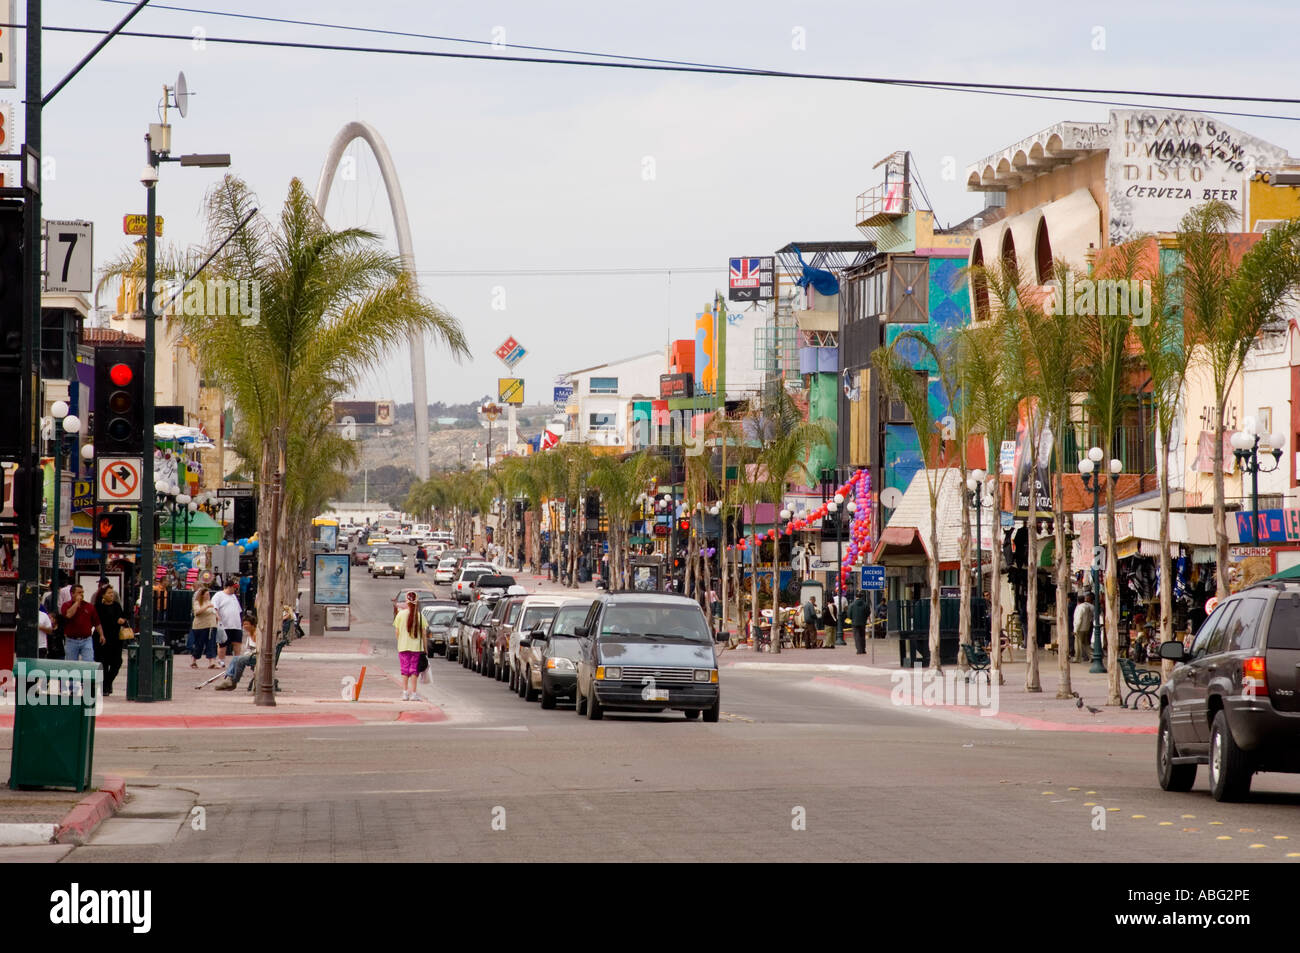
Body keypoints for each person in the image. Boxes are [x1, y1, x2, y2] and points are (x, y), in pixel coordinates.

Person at [93, 586, 129, 695]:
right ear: (103, 595)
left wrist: (123, 620)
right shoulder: (98, 607)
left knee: (117, 662)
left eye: (112, 593)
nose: (111, 595)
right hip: (102, 638)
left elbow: (123, 618)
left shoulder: (117, 606)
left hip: (115, 639)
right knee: (102, 663)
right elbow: (100, 620)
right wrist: (115, 620)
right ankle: (105, 687)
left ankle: (107, 683)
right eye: (109, 593)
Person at [393, 591, 427, 702]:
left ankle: (404, 693)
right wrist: (425, 649)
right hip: (416, 647)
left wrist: (401, 641)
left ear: (407, 602)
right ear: (417, 602)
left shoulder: (400, 615)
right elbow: (424, 634)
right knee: (414, 671)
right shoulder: (420, 616)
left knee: (404, 670)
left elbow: (397, 632)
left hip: (403, 646)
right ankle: (413, 693)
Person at [60, 584, 104, 662]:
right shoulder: (66, 605)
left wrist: (101, 634)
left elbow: (97, 622)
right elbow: (68, 615)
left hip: (86, 639)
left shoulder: (89, 606)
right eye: (79, 592)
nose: (81, 594)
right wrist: (77, 603)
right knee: (71, 665)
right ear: (72, 594)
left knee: (89, 661)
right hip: (71, 640)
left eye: (82, 592)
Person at [215, 617, 259, 691]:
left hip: (256, 656)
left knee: (240, 660)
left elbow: (257, 648)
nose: (244, 626)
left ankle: (234, 681)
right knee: (236, 658)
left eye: (246, 624)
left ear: (252, 625)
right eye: (243, 624)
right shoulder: (249, 635)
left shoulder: (256, 634)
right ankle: (229, 678)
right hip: (250, 655)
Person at [211, 578, 244, 661]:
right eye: (234, 587)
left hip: (236, 625)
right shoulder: (219, 595)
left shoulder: (234, 597)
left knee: (237, 643)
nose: (235, 589)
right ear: (229, 587)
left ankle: (237, 660)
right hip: (225, 624)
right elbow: (214, 607)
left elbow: (238, 610)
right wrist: (218, 617)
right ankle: (221, 660)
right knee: (223, 644)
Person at [190, 585, 221, 669]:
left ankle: (212, 662)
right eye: (206, 594)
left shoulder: (210, 602)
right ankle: (194, 659)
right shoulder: (197, 603)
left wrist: (217, 617)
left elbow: (213, 611)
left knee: (211, 644)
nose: (208, 596)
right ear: (202, 595)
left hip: (211, 626)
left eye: (209, 594)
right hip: (200, 626)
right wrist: (206, 607)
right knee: (199, 645)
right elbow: (197, 612)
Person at [1073, 591, 1095, 663]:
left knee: (1078, 644)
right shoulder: (1087, 607)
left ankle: (1077, 658)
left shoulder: (1079, 608)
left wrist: (1075, 629)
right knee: (1086, 644)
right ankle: (1092, 656)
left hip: (1080, 628)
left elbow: (1078, 619)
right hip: (1086, 627)